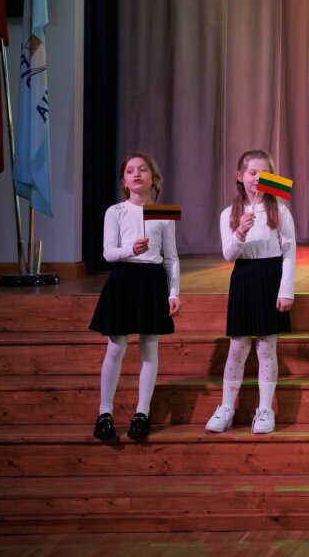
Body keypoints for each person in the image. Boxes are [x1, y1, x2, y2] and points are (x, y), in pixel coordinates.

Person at [89, 152, 181, 440]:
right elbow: (108, 253)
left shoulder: (165, 213)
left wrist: (174, 292)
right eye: (130, 171)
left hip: (152, 281)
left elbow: (171, 258)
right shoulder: (114, 211)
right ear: (124, 181)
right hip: (123, 279)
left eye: (143, 169)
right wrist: (131, 249)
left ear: (154, 178)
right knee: (116, 347)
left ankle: (142, 412)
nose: (137, 174)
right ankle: (105, 413)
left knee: (149, 348)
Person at [205, 149, 296, 436]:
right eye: (252, 172)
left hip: (271, 277)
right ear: (240, 176)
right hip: (244, 277)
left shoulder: (279, 210)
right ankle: (226, 407)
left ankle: (265, 409)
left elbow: (289, 253)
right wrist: (240, 233)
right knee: (238, 347)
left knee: (267, 347)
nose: (258, 178)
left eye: (264, 173)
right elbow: (228, 255)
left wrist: (286, 290)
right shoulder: (229, 214)